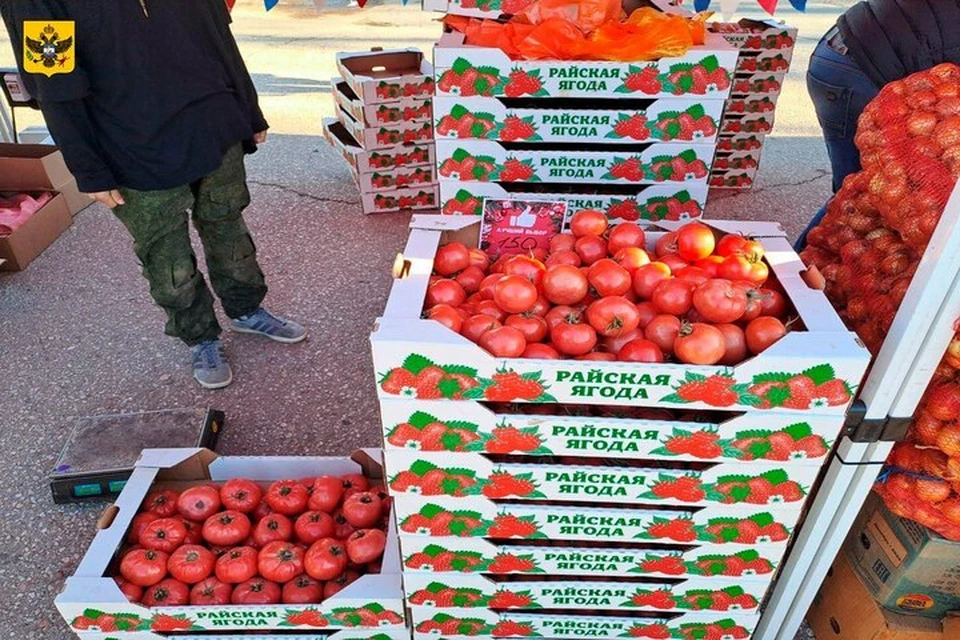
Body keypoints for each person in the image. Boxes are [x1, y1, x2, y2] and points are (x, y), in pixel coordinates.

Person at [1, 0, 306, 389]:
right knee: (167, 256)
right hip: (131, 145)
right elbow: (52, 82)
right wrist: (89, 170)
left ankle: (247, 309)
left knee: (228, 226)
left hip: (212, 122)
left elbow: (219, 33)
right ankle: (200, 336)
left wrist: (248, 108)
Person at [798, 0, 960, 247]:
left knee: (862, 193)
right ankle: (795, 274)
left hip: (838, 50)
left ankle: (796, 274)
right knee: (859, 196)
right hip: (856, 73)